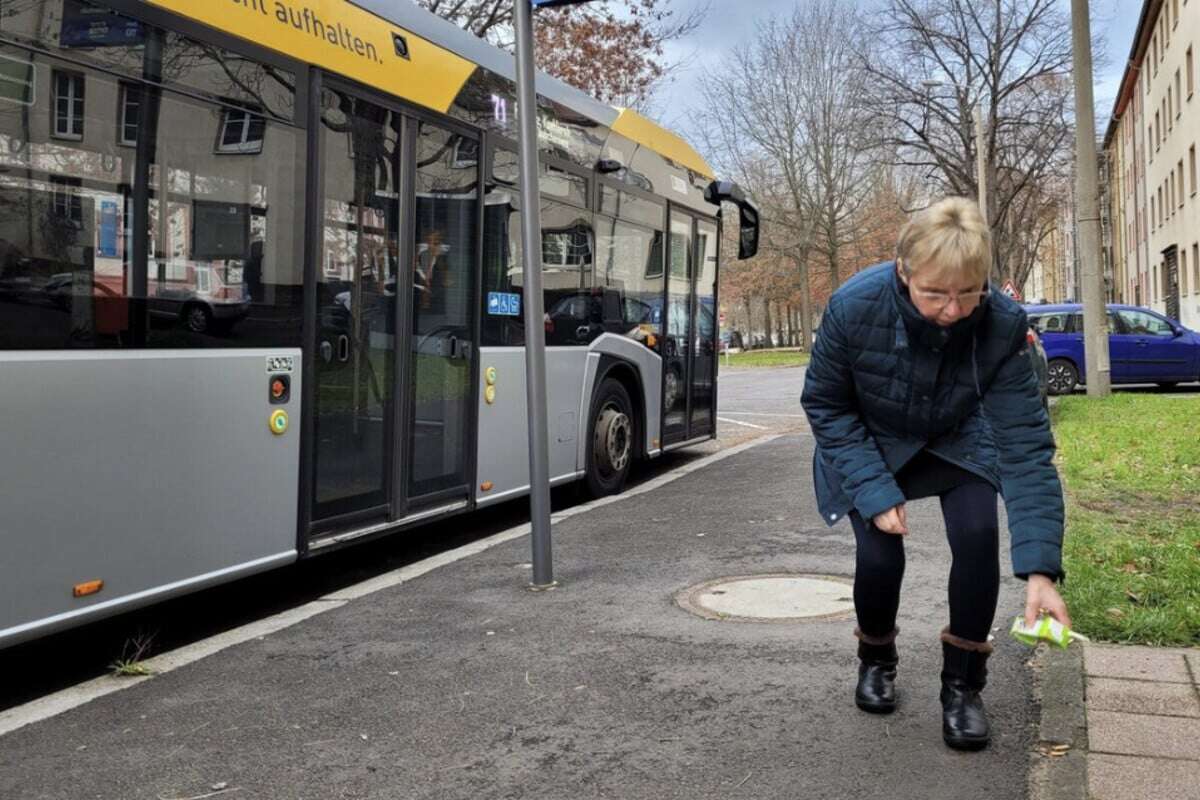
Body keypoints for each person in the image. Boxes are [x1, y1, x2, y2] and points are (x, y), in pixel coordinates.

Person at [800, 197, 1070, 751]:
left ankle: (963, 687)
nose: (952, 310)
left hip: (956, 435)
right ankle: (876, 658)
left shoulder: (1000, 325)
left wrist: (1042, 570)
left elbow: (1024, 447)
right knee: (880, 554)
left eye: (967, 294)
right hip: (869, 438)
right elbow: (826, 405)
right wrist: (874, 491)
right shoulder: (854, 307)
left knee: (976, 536)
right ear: (904, 272)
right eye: (935, 294)